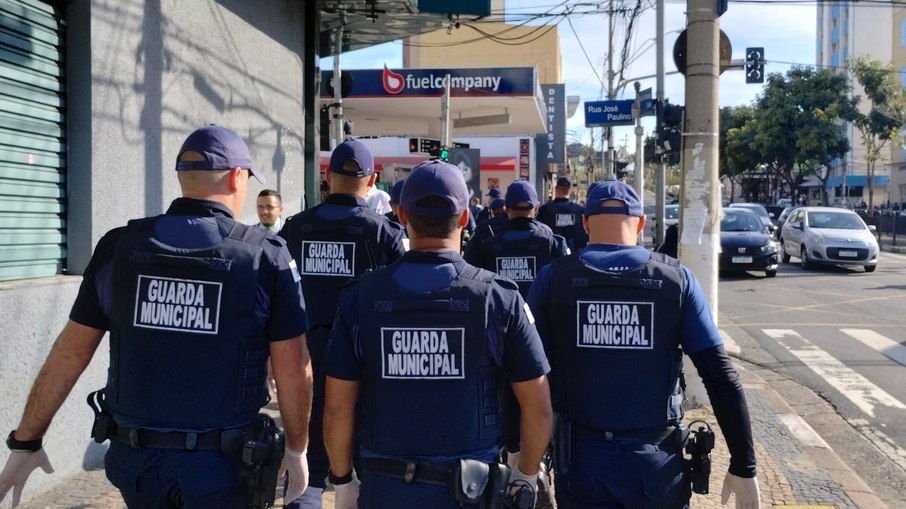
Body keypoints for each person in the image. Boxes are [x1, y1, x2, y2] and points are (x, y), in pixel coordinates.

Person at [0, 125, 313, 508]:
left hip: (135, 463)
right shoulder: (264, 256)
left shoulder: (119, 246)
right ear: (236, 177)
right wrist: (297, 449)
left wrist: (27, 440)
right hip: (223, 467)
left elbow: (70, 353)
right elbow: (294, 369)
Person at [323, 160, 553, 509]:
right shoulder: (498, 298)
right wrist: (526, 473)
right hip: (471, 490)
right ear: (464, 218)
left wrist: (342, 481)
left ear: (401, 215)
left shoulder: (360, 297)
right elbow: (536, 404)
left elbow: (338, 406)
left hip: (385, 487)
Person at [527, 180, 760, 509]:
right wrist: (743, 465)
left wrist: (523, 455)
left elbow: (526, 377)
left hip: (582, 463)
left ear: (586, 222)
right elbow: (720, 374)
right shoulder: (676, 280)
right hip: (657, 465)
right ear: (640, 223)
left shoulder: (553, 279)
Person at [278, 139, 406, 509]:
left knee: (306, 475)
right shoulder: (384, 233)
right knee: (363, 477)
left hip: (303, 361)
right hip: (366, 368)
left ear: (327, 176)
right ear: (373, 180)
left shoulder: (295, 229)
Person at [537, 176, 588, 252]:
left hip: (551, 256)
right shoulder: (580, 211)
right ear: (570, 191)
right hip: (575, 258)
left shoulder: (545, 210)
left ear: (556, 189)